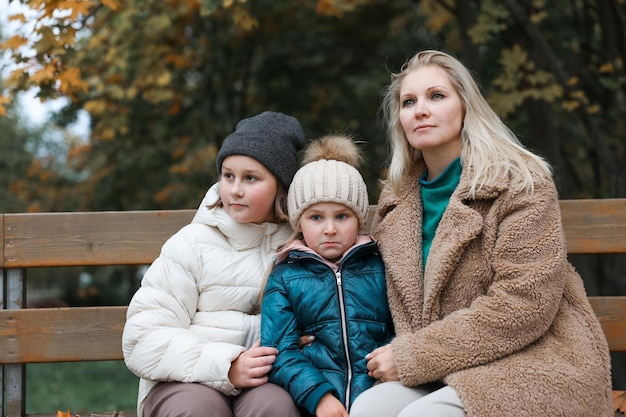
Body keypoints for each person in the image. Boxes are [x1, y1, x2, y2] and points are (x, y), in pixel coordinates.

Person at [349, 50, 613, 417]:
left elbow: (525, 303)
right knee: (368, 410)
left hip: (532, 361)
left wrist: (416, 354)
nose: (420, 110)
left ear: (466, 107)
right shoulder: (397, 200)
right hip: (444, 367)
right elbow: (369, 292)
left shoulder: (520, 182)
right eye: (409, 102)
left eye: (436, 96)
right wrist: (314, 327)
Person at [122, 111, 307, 417]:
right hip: (183, 381)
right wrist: (227, 365)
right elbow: (143, 337)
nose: (235, 189)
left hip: (265, 379)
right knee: (199, 410)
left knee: (275, 408)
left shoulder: (298, 246)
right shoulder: (192, 244)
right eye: (228, 175)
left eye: (251, 178)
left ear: (281, 186)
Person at [260, 134, 394, 417]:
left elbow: (402, 326)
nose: (330, 228)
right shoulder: (285, 277)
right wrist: (318, 396)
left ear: (359, 219)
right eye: (316, 217)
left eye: (342, 216)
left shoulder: (380, 266)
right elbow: (280, 351)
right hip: (314, 401)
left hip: (378, 395)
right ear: (299, 221)